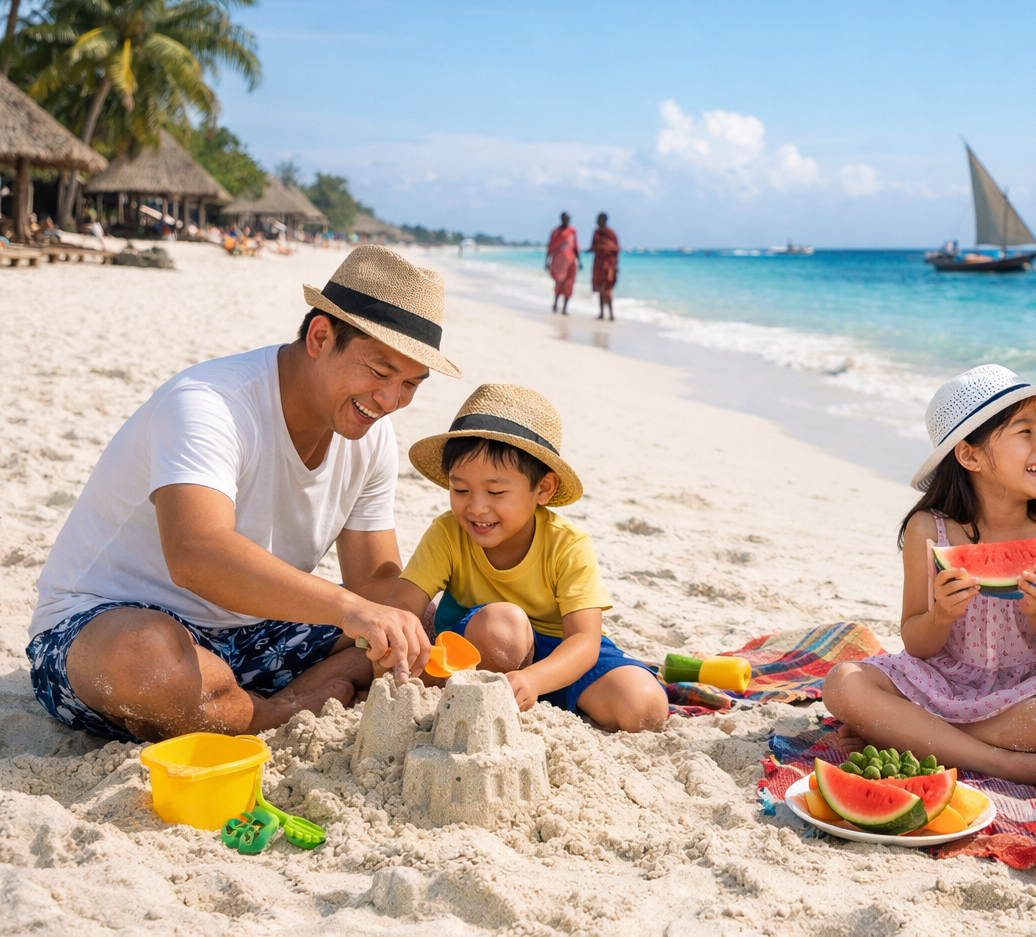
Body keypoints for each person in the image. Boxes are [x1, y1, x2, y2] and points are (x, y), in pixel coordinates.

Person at [26, 246, 462, 742]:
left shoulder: (370, 433)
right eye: (380, 372)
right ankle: (269, 713)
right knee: (149, 660)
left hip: (256, 632)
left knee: (423, 627)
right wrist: (352, 610)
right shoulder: (210, 404)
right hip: (106, 627)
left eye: (411, 384)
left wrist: (435, 610)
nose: (390, 401)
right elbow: (196, 553)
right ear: (320, 336)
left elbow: (373, 580)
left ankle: (257, 706)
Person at [822, 366, 1036, 792]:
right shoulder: (929, 530)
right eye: (1025, 432)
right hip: (946, 680)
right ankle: (1003, 763)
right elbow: (917, 643)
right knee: (842, 683)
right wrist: (941, 616)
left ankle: (918, 735)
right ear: (969, 456)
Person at [379, 385, 668, 732]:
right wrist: (393, 645)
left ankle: (532, 694)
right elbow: (400, 607)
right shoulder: (447, 533)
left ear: (543, 489)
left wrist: (534, 679)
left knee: (644, 708)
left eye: (496, 492)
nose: (476, 507)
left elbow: (584, 641)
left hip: (556, 653)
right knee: (504, 629)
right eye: (460, 489)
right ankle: (477, 695)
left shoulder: (567, 545)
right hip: (480, 641)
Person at [545, 212, 580, 315]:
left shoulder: (572, 232)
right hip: (558, 261)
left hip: (571, 261)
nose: (566, 220)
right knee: (559, 282)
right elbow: (551, 246)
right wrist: (547, 260)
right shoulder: (556, 232)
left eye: (568, 218)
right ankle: (555, 303)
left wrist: (580, 260)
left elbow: (575, 246)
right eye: (565, 218)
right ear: (561, 219)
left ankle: (565, 308)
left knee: (569, 283)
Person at [589, 213, 620, 321]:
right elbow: (593, 247)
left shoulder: (611, 234)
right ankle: (601, 313)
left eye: (599, 219)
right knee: (599, 288)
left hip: (608, 264)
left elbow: (616, 250)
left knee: (607, 288)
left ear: (604, 220)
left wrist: (616, 265)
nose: (597, 221)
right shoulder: (596, 233)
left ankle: (611, 314)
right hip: (598, 264)